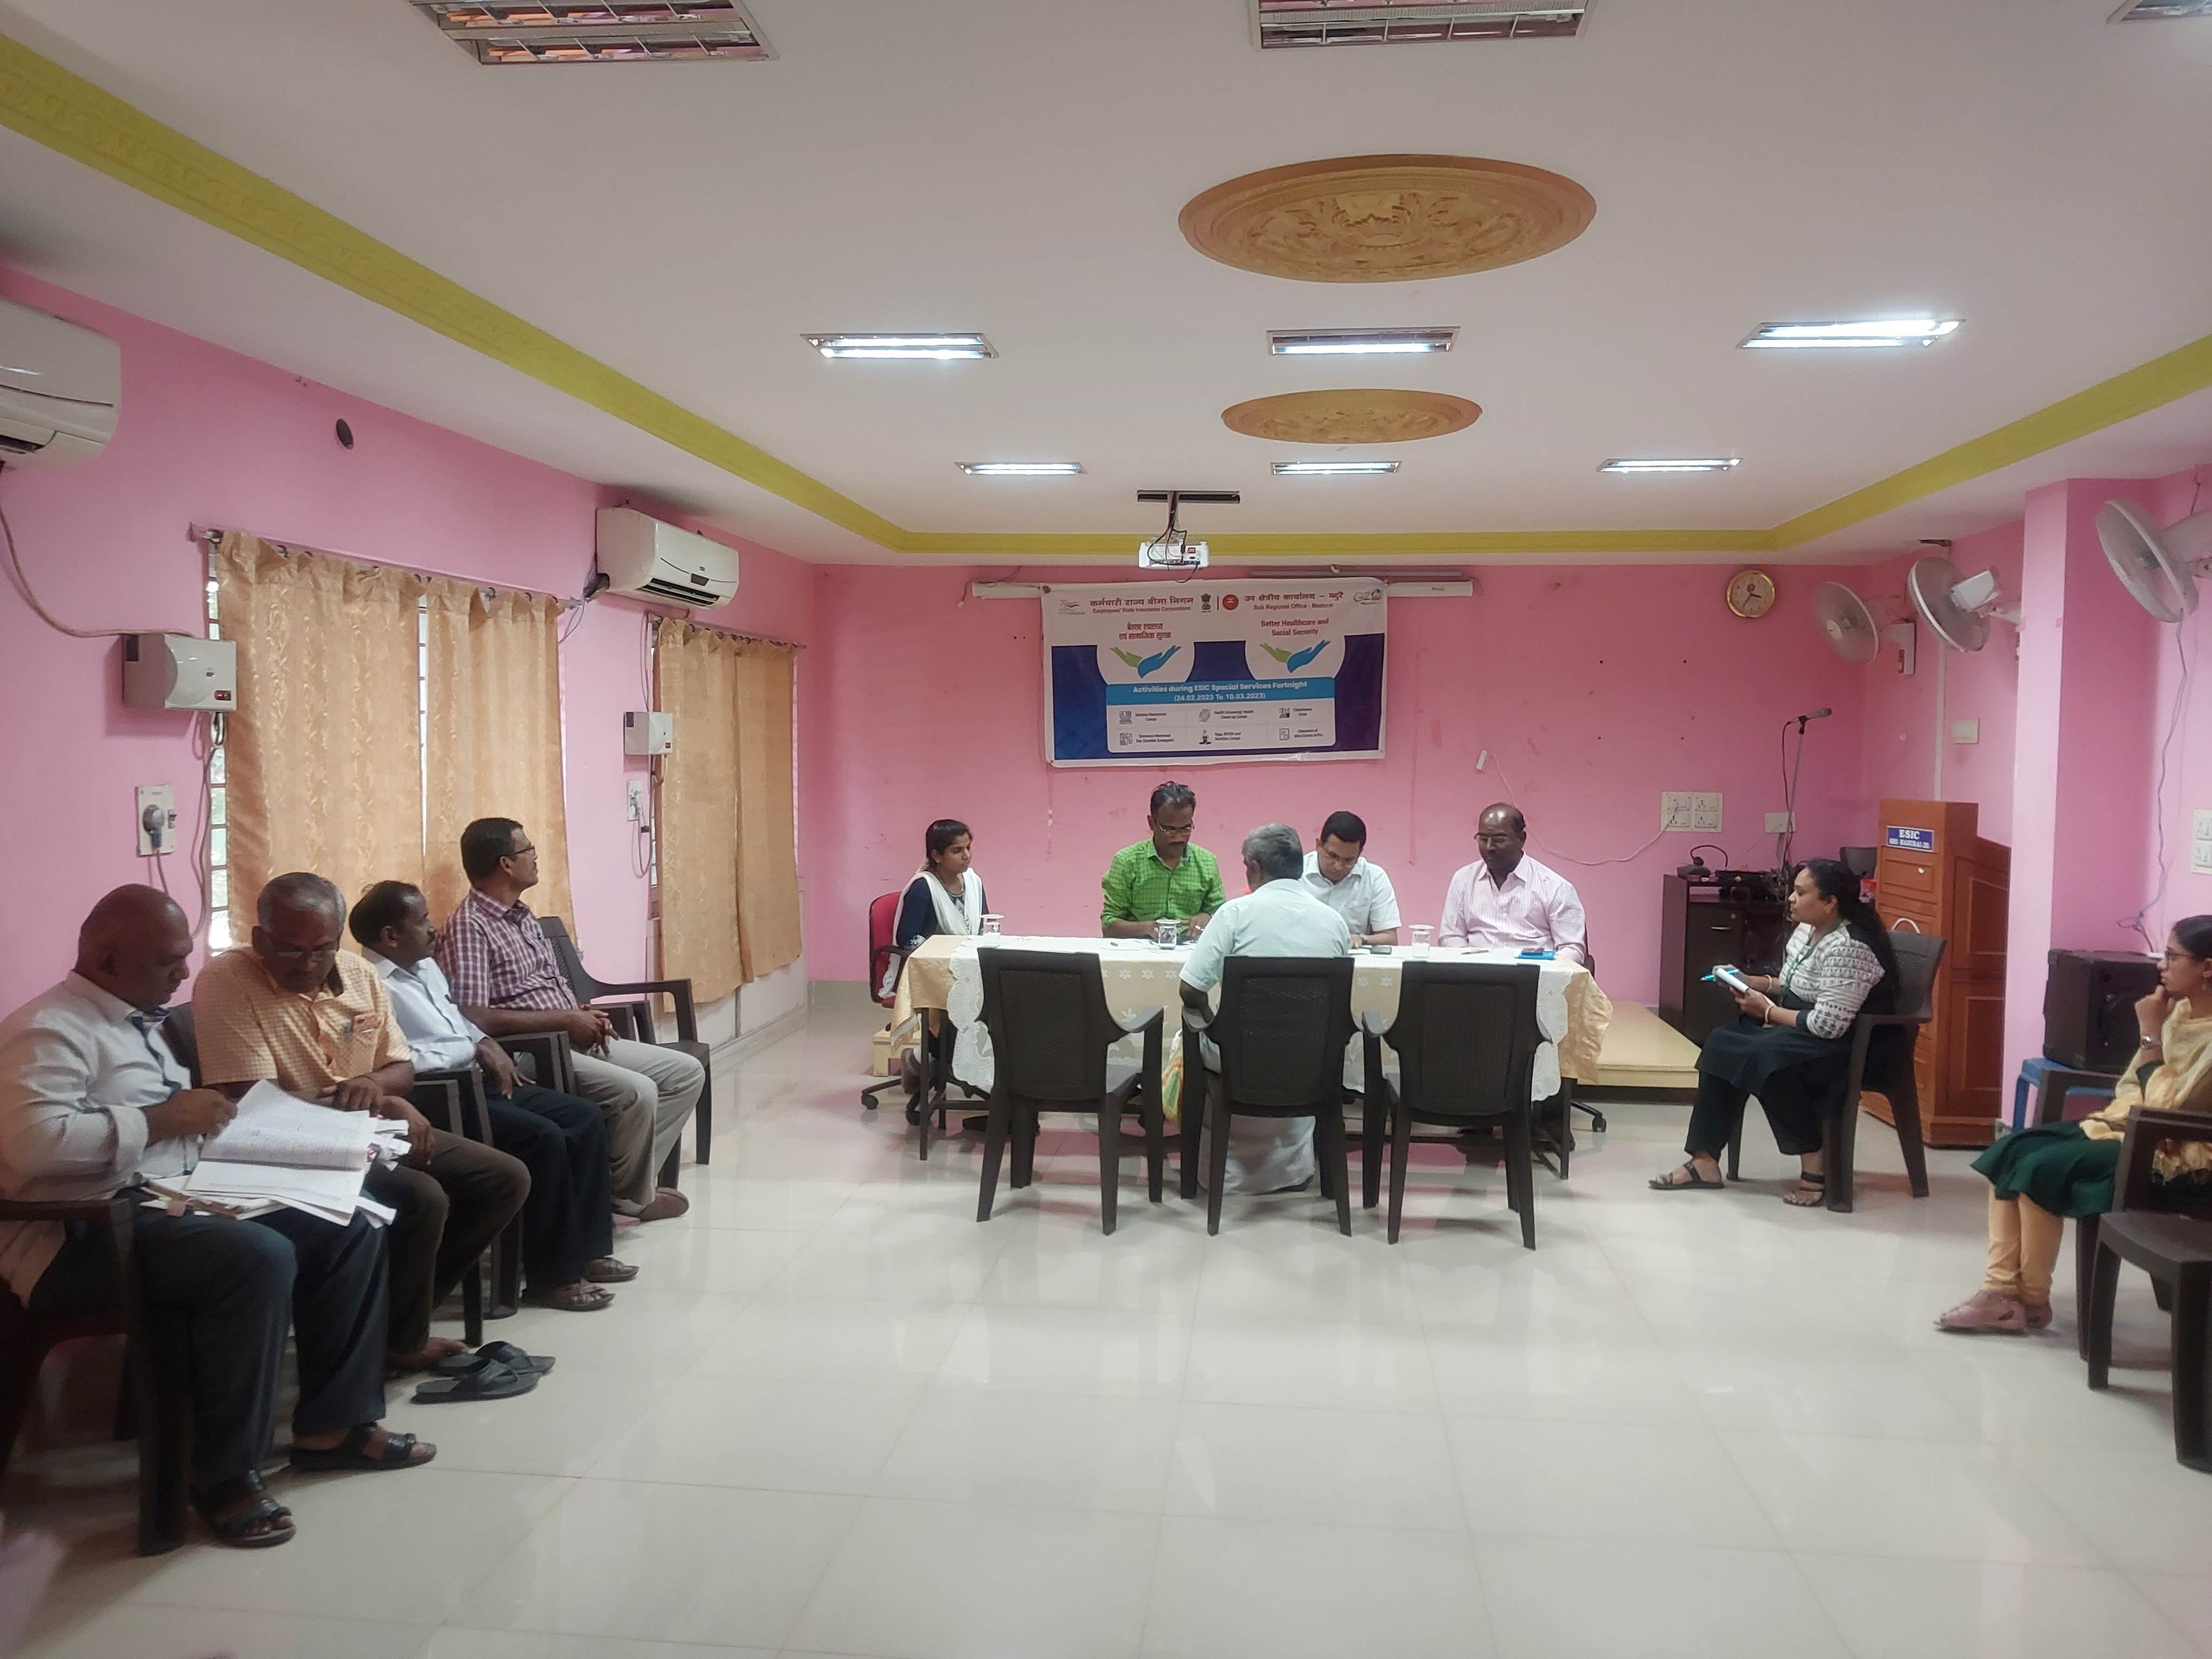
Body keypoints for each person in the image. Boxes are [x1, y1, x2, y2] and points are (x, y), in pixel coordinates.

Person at [0, 888, 431, 1548]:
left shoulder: (134, 1023)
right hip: (81, 1236)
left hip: (169, 1200)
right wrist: (159, 1120)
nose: (183, 974)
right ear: (106, 959)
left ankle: (334, 1426)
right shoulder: (48, 1030)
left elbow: (177, 1134)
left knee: (345, 1220)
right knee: (255, 1257)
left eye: (184, 957)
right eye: (167, 962)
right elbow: (33, 1147)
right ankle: (223, 1477)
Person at [193, 872, 530, 1372]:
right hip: (284, 1145)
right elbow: (255, 1101)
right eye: (290, 950)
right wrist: (383, 1103)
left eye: (322, 949)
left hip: (369, 1129)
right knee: (422, 1197)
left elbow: (401, 1067)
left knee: (503, 1178)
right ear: (260, 939)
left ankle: (393, 1326)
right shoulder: (227, 981)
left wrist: (377, 1088)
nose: (308, 964)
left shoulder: (359, 973)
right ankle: (395, 1339)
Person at [352, 880, 632, 1314]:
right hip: (439, 1095)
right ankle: (553, 1277)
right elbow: (401, 1059)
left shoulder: (424, 967)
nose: (433, 928)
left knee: (582, 1117)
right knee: (542, 1138)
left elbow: (457, 1020)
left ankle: (590, 1250)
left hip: (476, 1080)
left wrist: (483, 1041)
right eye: (422, 921)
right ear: (390, 936)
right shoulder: (371, 985)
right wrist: (472, 1048)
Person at [1938, 916, 2212, 1335]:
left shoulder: (2177, 1026)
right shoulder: (2181, 1013)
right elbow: (2131, 1085)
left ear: (2207, 968)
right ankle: (2002, 1292)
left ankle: (2027, 1300)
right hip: (2135, 1128)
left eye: (2173, 957)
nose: (2162, 965)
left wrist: (2150, 1035)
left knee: (2042, 1169)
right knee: (2013, 1149)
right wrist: (2139, 1110)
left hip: (2184, 1154)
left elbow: (2165, 1106)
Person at [437, 818, 701, 1224]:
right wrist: (563, 1019)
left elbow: (540, 984)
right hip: (530, 1052)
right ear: (506, 863)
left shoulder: (521, 915)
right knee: (639, 1093)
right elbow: (473, 1015)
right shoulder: (470, 927)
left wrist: (579, 1010)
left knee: (685, 1074)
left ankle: (618, 1191)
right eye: (528, 850)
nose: (536, 857)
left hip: (569, 1035)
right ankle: (627, 1199)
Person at [1648, 858, 1898, 1207]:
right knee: (1722, 1042)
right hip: (1802, 1029)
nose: (1791, 899)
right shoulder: (1808, 929)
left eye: (1801, 893)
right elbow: (1796, 984)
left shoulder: (1850, 947)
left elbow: (1829, 1025)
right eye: (1793, 890)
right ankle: (1704, 1161)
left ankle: (1814, 1162)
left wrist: (1766, 1011)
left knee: (1764, 1058)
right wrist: (1752, 982)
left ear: (1830, 902)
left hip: (1845, 1045)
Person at [1179, 824, 1352, 1193]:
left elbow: (1190, 989)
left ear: (1255, 867)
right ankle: (1294, 1170)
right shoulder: (1333, 922)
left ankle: (1211, 1171)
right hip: (1310, 1063)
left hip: (1239, 1061)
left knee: (1186, 1034)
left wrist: (1214, 1028)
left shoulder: (1234, 914)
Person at [1438, 803, 1588, 964]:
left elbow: (1572, 948)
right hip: (1477, 973)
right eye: (1483, 839)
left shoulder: (1555, 887)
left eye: (1498, 840)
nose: (1489, 847)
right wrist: (1468, 965)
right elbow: (1451, 936)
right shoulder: (1464, 879)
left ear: (1521, 839)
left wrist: (1546, 970)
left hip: (1534, 974)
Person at [1102, 781, 1227, 940]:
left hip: (1191, 951)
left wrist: (1207, 917)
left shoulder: (1207, 862)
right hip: (1139, 949)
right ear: (1152, 823)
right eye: (1169, 829)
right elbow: (1109, 926)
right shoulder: (1127, 862)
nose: (1178, 838)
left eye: (1186, 828)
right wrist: (1148, 928)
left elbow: (1223, 916)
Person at [1302, 811, 1402, 946]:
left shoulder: (1374, 878)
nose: (1338, 866)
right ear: (1318, 845)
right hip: (1303, 954)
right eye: (1332, 856)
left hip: (1354, 957)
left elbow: (1390, 938)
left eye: (1349, 860)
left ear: (1360, 853)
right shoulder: (1295, 872)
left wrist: (1362, 939)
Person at [893, 820, 989, 961]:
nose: (967, 856)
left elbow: (984, 927)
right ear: (937, 856)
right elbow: (907, 939)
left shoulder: (973, 882)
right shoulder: (923, 888)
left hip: (970, 959)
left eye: (968, 848)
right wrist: (947, 954)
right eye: (957, 851)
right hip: (933, 965)